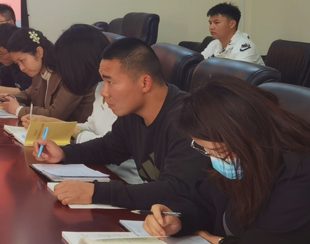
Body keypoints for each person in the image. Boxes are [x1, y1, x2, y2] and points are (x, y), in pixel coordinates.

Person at [143, 77, 310, 244]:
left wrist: (221, 243)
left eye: (219, 151)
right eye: (206, 150)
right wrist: (175, 217)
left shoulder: (300, 173)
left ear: (247, 135)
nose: (216, 160)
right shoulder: (244, 159)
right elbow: (203, 200)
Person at [34, 37, 210, 210]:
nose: (104, 92)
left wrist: (96, 192)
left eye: (110, 82)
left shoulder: (189, 120)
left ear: (145, 83)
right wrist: (64, 153)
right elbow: (109, 147)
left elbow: (175, 191)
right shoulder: (134, 112)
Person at [20, 24, 140, 184]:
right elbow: (91, 126)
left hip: (121, 179)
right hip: (97, 170)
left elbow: (109, 146)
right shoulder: (99, 87)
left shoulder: (122, 94)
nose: (62, 73)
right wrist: (54, 124)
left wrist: (71, 130)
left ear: (79, 63)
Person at [2, 28, 94, 123]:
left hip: (79, 130)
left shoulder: (70, 73)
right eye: (17, 63)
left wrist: (18, 110)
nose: (21, 68)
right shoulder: (40, 71)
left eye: (22, 61)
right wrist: (11, 99)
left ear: (39, 52)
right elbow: (29, 93)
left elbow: (55, 115)